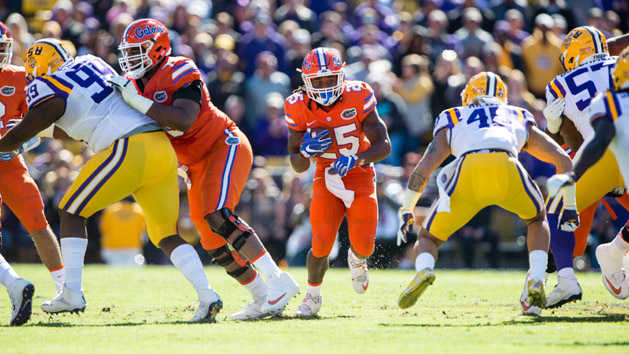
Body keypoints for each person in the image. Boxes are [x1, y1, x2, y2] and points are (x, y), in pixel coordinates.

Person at [0, 38, 222, 323]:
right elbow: (77, 119)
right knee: (166, 234)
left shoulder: (45, 86)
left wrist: (13, 139)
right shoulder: (90, 61)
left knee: (71, 212)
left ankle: (71, 293)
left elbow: (34, 122)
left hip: (127, 147)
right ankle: (207, 295)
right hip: (160, 147)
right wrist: (37, 134)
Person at [108, 19, 299, 320]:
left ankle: (279, 280)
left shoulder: (180, 68)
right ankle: (262, 297)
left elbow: (183, 119)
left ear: (158, 50)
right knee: (210, 239)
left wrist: (138, 103)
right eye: (127, 52)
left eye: (137, 51)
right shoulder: (131, 85)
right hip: (192, 164)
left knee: (218, 214)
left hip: (223, 145)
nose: (130, 59)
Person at [397, 72, 575, 315]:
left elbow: (423, 168)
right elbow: (563, 159)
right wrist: (570, 205)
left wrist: (407, 208)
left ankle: (424, 270)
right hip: (506, 167)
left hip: (468, 172)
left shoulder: (453, 115)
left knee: (428, 237)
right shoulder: (516, 113)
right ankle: (536, 276)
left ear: (470, 94)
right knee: (536, 219)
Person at [284, 47, 391, 316]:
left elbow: (384, 145)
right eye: (317, 82)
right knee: (320, 242)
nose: (324, 86)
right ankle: (312, 296)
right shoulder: (297, 105)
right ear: (306, 81)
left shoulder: (359, 94)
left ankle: (357, 260)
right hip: (326, 174)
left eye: (329, 79)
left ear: (341, 76)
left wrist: (357, 159)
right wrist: (306, 152)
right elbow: (297, 164)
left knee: (365, 244)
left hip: (359, 174)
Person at [542, 26, 629, 308]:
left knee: (554, 216)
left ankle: (561, 278)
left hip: (591, 155)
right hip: (618, 149)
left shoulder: (559, 84)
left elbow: (575, 141)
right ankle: (616, 249)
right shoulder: (620, 61)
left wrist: (551, 127)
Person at [0, 21, 66, 294]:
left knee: (38, 222)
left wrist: (23, 143)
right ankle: (16, 286)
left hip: (8, 161)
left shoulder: (18, 77)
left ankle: (66, 289)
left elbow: (42, 122)